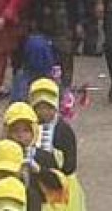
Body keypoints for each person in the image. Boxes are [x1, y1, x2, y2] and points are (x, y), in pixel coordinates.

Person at [28, 78, 87, 211]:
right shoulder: (26, 127)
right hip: (33, 185)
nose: (43, 112)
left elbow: (70, 165)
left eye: (49, 108)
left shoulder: (63, 130)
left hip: (59, 187)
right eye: (39, 108)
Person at [30, 0, 82, 89]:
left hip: (64, 25)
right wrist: (33, 24)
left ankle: (65, 89)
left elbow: (75, 3)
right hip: (43, 25)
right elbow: (34, 4)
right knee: (45, 58)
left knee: (65, 58)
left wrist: (77, 24)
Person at [1, 103, 66, 211]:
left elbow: (58, 185)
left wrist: (40, 170)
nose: (20, 135)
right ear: (7, 133)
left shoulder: (44, 155)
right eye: (15, 130)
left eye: (26, 130)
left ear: (34, 132)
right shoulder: (1, 155)